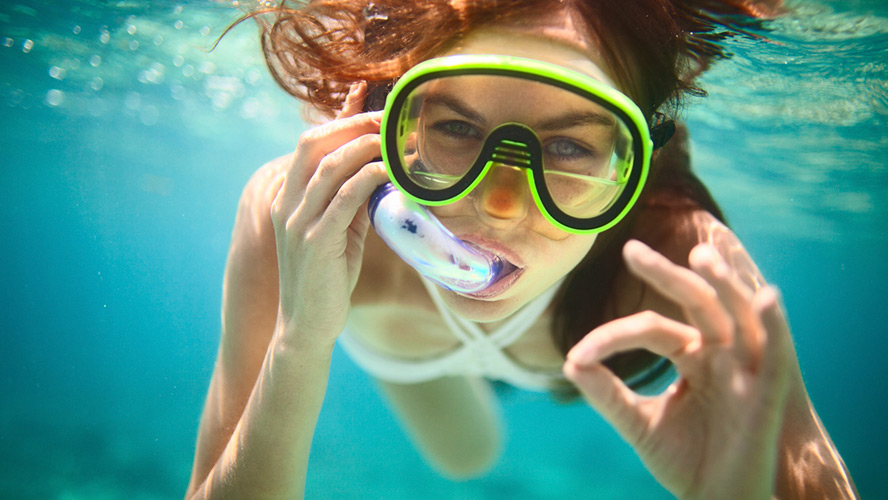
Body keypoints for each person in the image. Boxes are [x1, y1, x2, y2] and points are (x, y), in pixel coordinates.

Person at [185, 1, 859, 498]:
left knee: (468, 457)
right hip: (407, 356)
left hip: (555, 347)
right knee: (467, 457)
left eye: (569, 146)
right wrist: (299, 343)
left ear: (637, 163)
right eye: (454, 126)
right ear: (389, 119)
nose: (501, 204)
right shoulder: (304, 214)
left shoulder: (680, 260)